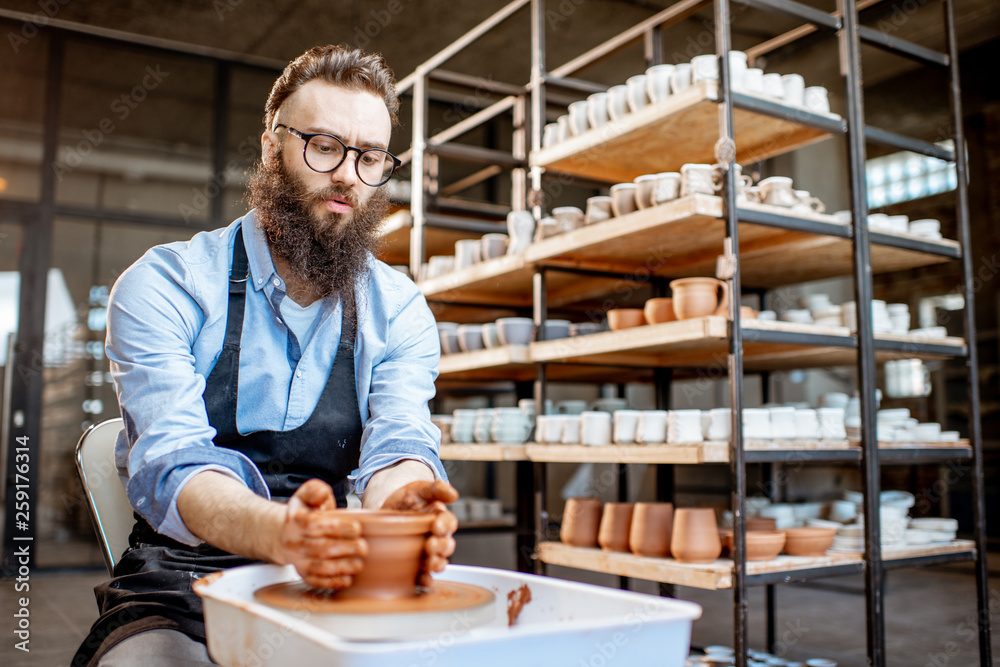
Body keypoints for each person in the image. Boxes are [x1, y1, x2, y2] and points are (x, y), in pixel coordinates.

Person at [73, 45, 457, 666]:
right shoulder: (168, 286)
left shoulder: (401, 310)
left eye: (369, 157)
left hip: (334, 576)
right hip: (185, 583)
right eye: (324, 146)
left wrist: (403, 502)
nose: (346, 177)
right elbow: (174, 462)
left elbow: (399, 443)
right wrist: (284, 533)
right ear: (270, 148)